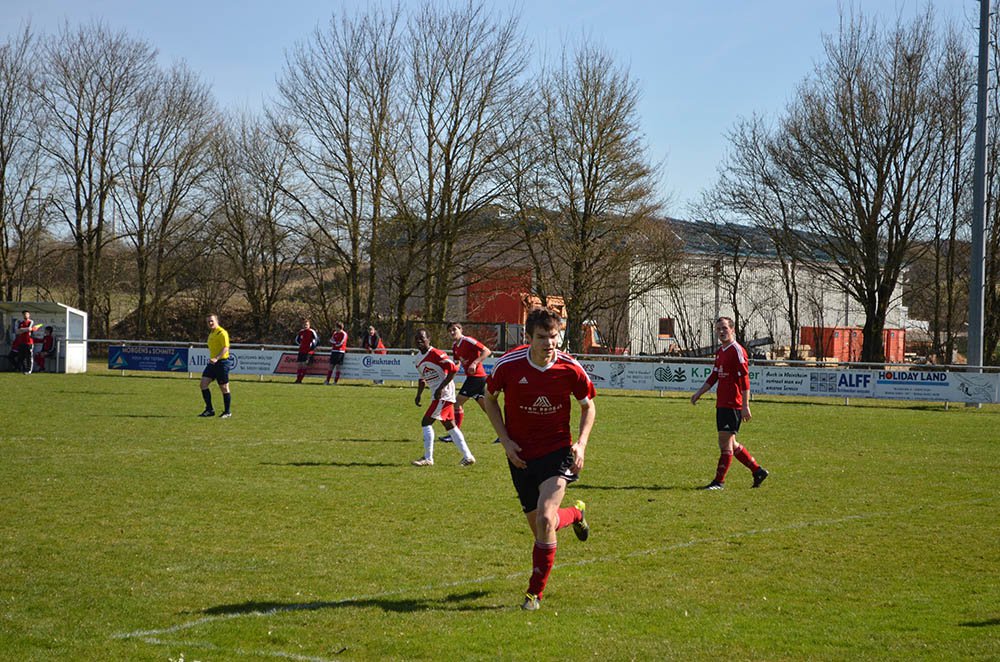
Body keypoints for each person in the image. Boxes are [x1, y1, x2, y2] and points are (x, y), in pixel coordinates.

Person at [481, 307, 595, 611]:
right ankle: (577, 514)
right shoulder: (509, 365)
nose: (549, 343)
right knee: (544, 527)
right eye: (542, 337)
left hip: (557, 453)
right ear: (528, 337)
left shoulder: (570, 368)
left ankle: (534, 594)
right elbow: (489, 400)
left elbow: (588, 407)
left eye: (553, 336)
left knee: (545, 518)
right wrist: (505, 441)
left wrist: (581, 444)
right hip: (520, 456)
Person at [690, 316, 768, 490]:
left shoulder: (737, 350)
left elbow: (745, 380)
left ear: (732, 330)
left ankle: (719, 482)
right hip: (722, 403)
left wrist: (745, 406)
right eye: (718, 329)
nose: (721, 332)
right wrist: (699, 393)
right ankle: (758, 471)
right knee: (731, 443)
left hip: (733, 404)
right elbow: (714, 375)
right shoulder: (721, 351)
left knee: (724, 443)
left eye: (724, 328)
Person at [411, 328, 476, 467]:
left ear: (429, 339)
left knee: (426, 422)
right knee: (450, 426)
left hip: (444, 394)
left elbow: (453, 369)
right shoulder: (417, 359)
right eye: (417, 339)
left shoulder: (436, 353)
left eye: (422, 338)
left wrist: (441, 388)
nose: (419, 341)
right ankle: (468, 456)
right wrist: (418, 395)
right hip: (437, 394)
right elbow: (422, 378)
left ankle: (428, 458)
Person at [438, 322, 492, 443]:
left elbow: (487, 351)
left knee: (457, 403)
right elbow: (457, 363)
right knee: (489, 409)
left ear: (461, 330)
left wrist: (475, 363)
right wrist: (447, 366)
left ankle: (455, 435)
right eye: (450, 331)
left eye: (454, 329)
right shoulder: (455, 346)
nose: (452, 332)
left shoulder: (468, 340)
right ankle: (506, 433)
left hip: (476, 377)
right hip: (474, 378)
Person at [198, 314, 233, 419]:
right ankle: (209, 410)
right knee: (203, 384)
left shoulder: (222, 333)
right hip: (213, 363)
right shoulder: (211, 333)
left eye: (212, 321)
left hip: (222, 363)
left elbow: (226, 348)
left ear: (216, 321)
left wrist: (217, 358)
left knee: (224, 388)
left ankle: (227, 412)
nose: (210, 323)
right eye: (208, 321)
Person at [294, 318, 319, 384]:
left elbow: (316, 340)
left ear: (309, 325)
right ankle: (298, 379)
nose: (305, 326)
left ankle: (300, 380)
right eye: (304, 324)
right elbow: (297, 340)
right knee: (299, 364)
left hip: (308, 351)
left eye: (306, 325)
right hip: (301, 350)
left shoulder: (312, 331)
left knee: (304, 364)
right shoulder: (301, 332)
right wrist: (301, 344)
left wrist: (311, 347)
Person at [325, 321, 348, 385]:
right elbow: (331, 340)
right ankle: (327, 381)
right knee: (331, 366)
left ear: (340, 328)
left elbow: (341, 343)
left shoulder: (344, 334)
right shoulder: (335, 333)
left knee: (338, 367)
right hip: (334, 351)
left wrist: (336, 343)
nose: (335, 328)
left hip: (340, 352)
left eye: (336, 327)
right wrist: (335, 343)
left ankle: (335, 382)